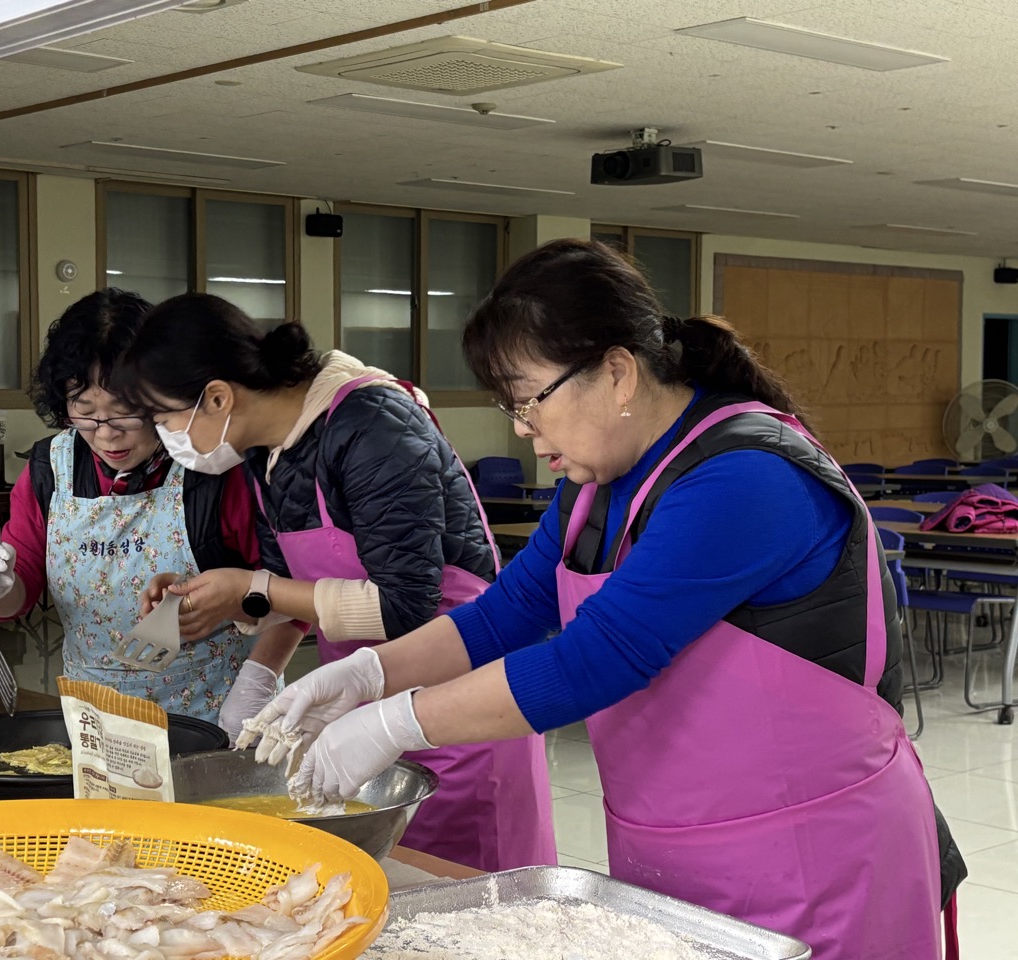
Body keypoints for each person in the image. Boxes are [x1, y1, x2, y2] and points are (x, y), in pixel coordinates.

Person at [245, 239, 960, 960]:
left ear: (617, 372)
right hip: (671, 844)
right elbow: (504, 613)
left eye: (529, 400)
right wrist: (369, 674)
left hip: (812, 854)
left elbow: (597, 659)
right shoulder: (595, 488)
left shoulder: (748, 476)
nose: (522, 429)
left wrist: (394, 722)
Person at [119, 292, 556, 873]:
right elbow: (292, 587)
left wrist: (250, 588)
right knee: (383, 879)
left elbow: (405, 605)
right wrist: (228, 620)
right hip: (360, 700)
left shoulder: (374, 423)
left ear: (218, 397)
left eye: (164, 417)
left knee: (464, 884)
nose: (164, 434)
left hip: (457, 699)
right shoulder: (266, 452)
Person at [0, 289, 300, 732]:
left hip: (215, 716)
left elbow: (293, 592)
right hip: (96, 722)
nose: (106, 434)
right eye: (85, 412)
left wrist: (259, 679)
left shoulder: (214, 466)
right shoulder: (51, 469)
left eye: (126, 413)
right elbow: (13, 599)